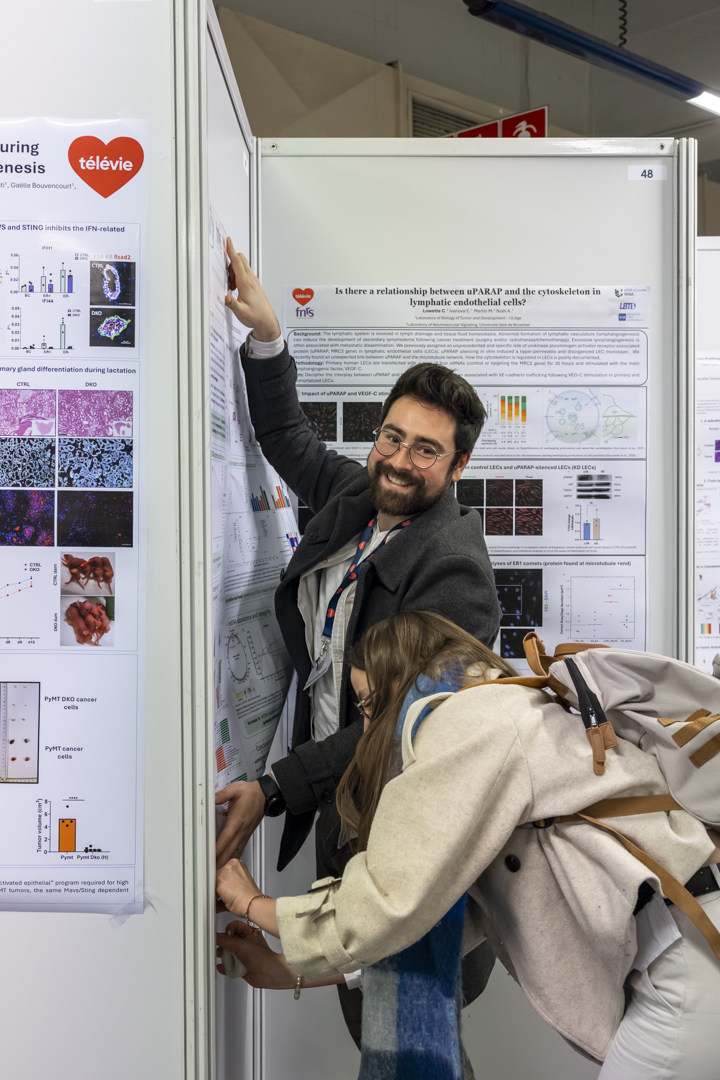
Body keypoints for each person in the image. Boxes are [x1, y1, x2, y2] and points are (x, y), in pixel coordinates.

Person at [216, 611, 720, 1080]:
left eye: (367, 704)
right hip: (689, 945)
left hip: (684, 958)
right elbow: (434, 925)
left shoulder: (466, 725)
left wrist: (254, 904)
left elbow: (386, 900)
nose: (366, 729)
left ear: (399, 681)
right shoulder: (501, 706)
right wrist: (288, 969)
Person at [215, 241, 501, 1042]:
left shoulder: (456, 573)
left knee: (405, 1031)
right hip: (344, 809)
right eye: (392, 437)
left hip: (402, 827)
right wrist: (267, 336)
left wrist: (275, 787)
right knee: (371, 1020)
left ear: (459, 464)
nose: (399, 461)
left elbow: (396, 725)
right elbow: (288, 437)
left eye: (426, 449)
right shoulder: (360, 494)